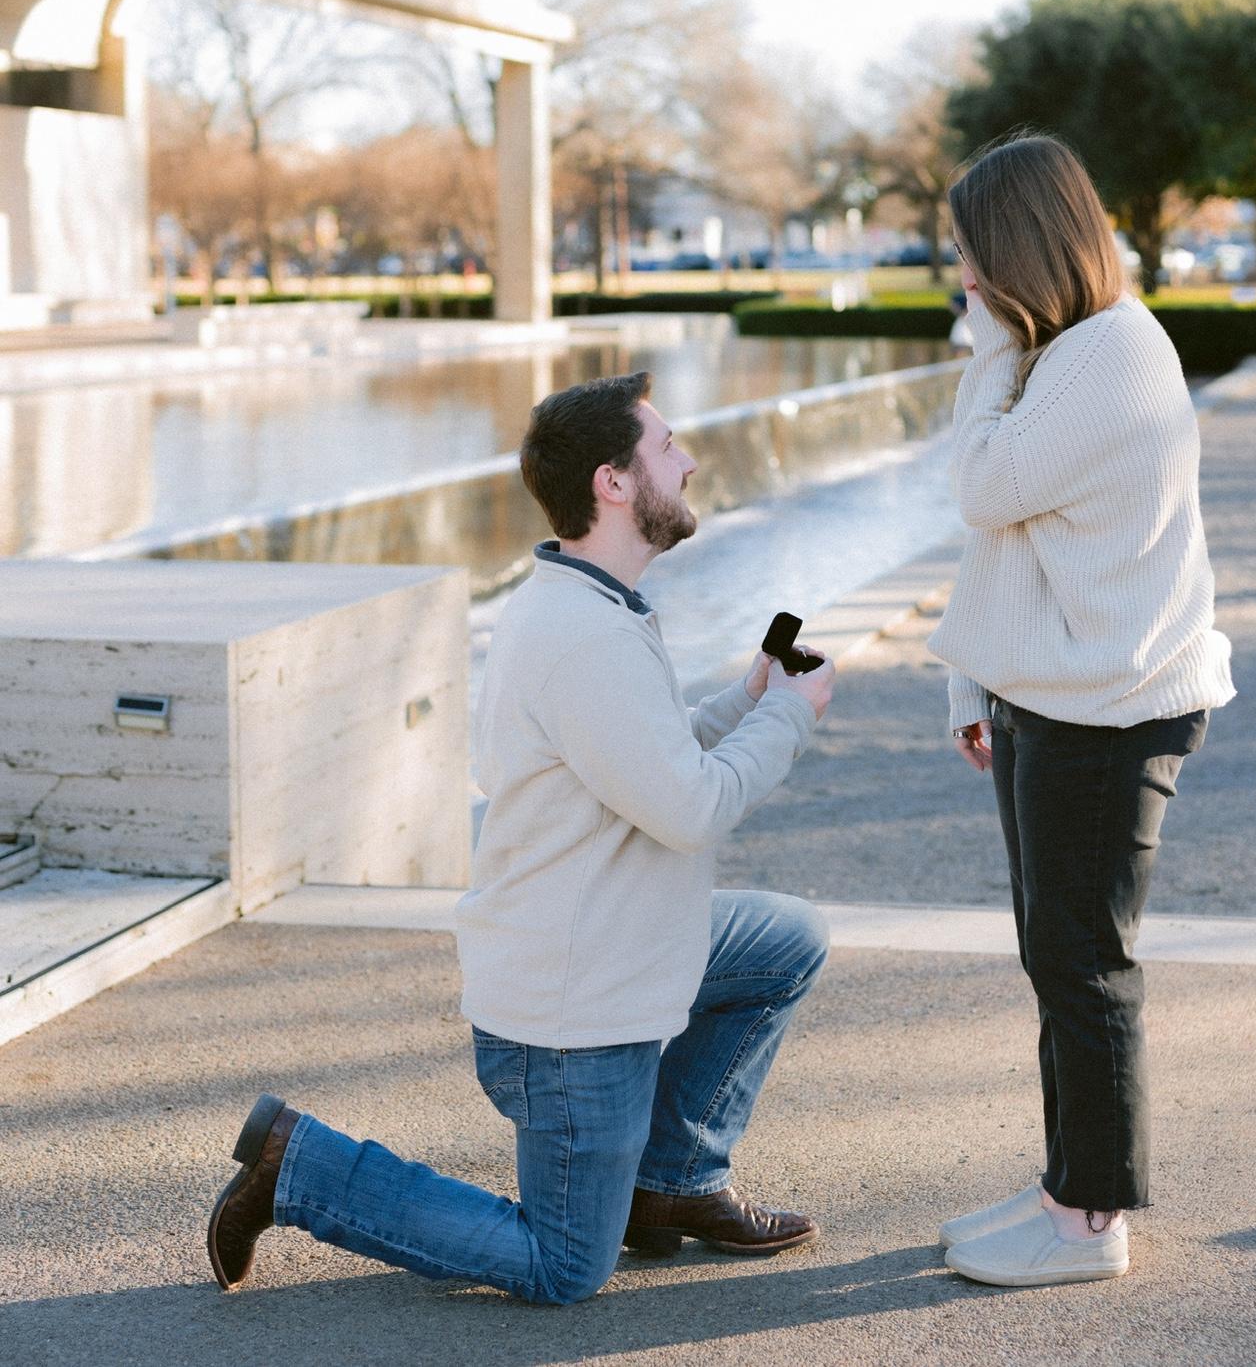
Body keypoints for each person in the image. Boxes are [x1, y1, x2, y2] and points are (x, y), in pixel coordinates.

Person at [207, 370, 837, 1304]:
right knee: (562, 1266)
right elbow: (691, 807)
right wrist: (789, 718)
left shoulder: (593, 604)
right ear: (613, 483)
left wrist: (746, 699)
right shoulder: (585, 636)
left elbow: (642, 757)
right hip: (573, 1015)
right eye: (668, 447)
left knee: (786, 942)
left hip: (620, 944)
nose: (690, 459)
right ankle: (295, 1166)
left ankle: (673, 1184)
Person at [928, 134, 1235, 1288]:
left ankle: (1091, 1219)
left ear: (1013, 251)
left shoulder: (1107, 357)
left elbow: (982, 487)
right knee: (1054, 956)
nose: (955, 272)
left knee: (1085, 963)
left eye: (965, 251)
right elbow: (1007, 538)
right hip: (1049, 695)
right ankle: (1070, 1183)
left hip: (1107, 710)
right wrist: (977, 683)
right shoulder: (1064, 353)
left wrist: (988, 348)